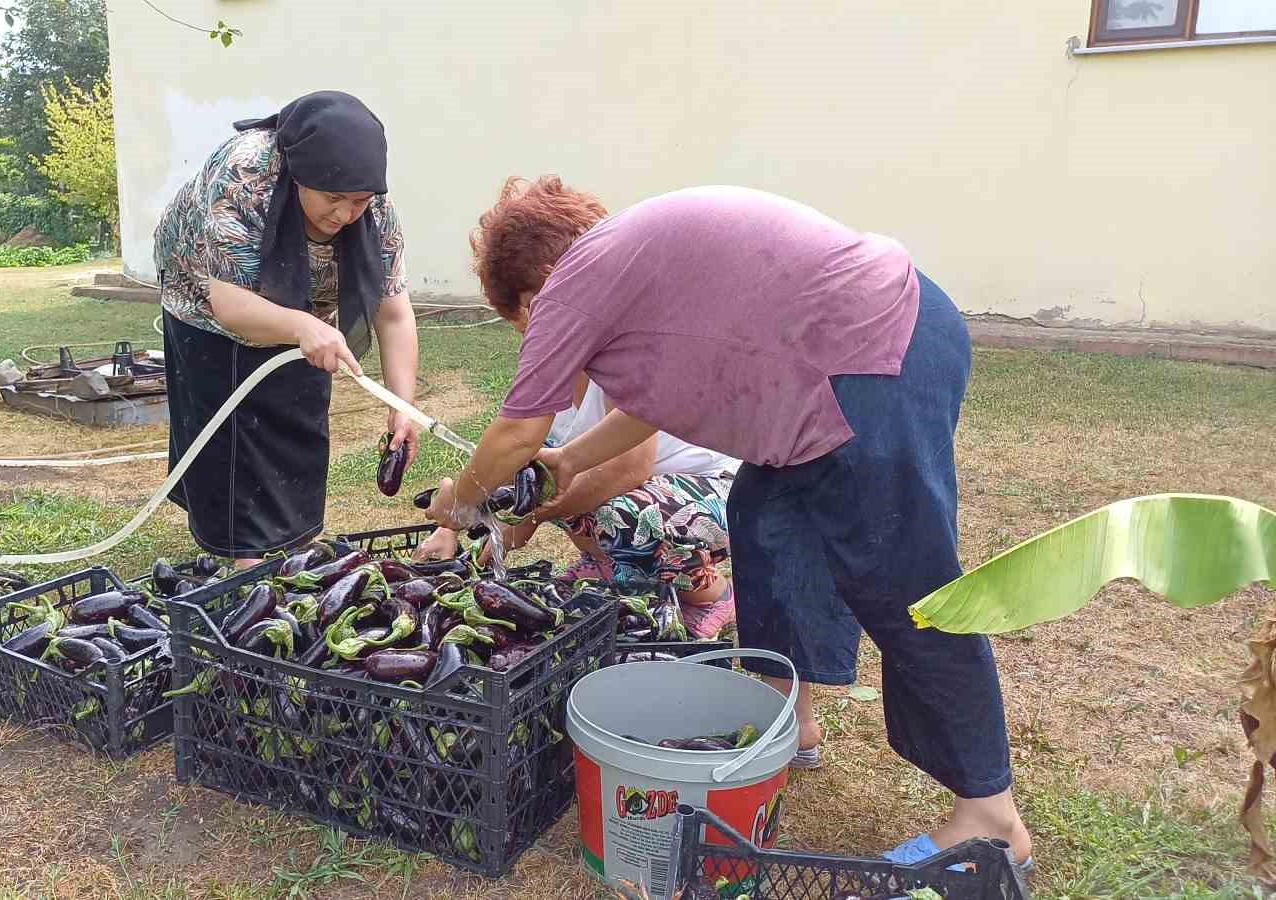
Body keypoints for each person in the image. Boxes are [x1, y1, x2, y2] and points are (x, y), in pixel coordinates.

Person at [424, 176, 1032, 867]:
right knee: (768, 519)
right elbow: (656, 403)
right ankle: (785, 724)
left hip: (880, 347)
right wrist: (571, 460)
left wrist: (462, 502)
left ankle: (992, 818)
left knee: (905, 582)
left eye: (523, 329)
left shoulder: (578, 282)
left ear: (531, 299)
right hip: (834, 363)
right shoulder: (627, 273)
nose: (534, 341)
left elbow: (513, 437)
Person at [154, 91, 419, 567]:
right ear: (298, 176)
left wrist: (404, 406)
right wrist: (301, 325)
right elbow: (231, 305)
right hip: (210, 304)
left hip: (306, 305)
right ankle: (243, 555)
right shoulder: (243, 176)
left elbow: (394, 312)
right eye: (332, 199)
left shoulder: (375, 209)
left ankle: (293, 537)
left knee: (299, 413)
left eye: (357, 201)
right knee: (231, 427)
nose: (344, 215)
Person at [415, 370, 740, 638]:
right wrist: (450, 525)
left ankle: (711, 594)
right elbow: (513, 465)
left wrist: (528, 518)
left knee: (623, 514)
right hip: (648, 488)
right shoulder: (544, 376)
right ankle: (603, 563)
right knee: (539, 484)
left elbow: (626, 470)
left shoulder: (621, 365)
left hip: (714, 489)